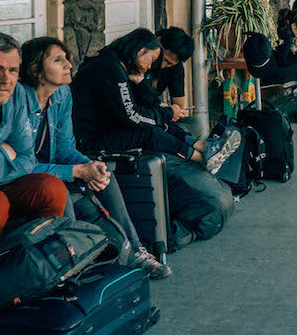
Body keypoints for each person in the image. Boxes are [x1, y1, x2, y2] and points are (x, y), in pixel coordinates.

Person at [16, 36, 170, 278]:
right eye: (58, 60)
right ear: (36, 69)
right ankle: (74, 269)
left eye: (66, 58)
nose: (68, 65)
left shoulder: (62, 94)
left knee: (106, 177)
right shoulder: (20, 99)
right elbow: (24, 166)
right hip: (25, 178)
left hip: (52, 169)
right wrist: (76, 171)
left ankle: (136, 250)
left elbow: (65, 147)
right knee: (62, 192)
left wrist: (89, 166)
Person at [72, 29, 214, 167]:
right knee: (150, 131)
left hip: (106, 130)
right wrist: (167, 113)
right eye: (153, 59)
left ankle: (202, 146)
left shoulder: (121, 66)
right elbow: (132, 116)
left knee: (157, 120)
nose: (153, 65)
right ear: (141, 50)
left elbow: (144, 106)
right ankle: (201, 158)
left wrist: (159, 107)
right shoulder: (111, 68)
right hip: (89, 140)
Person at [0, 33, 68, 233]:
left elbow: (27, 159)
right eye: (0, 69)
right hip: (7, 181)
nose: (6, 79)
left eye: (13, 70)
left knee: (51, 188)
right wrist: (6, 153)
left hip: (8, 179)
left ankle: (38, 256)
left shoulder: (17, 94)